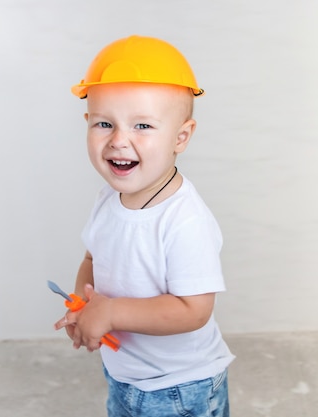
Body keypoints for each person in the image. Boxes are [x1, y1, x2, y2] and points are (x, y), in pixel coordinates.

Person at [54, 35, 234, 417]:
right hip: (128, 375)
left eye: (142, 126)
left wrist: (113, 313)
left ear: (180, 137)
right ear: (87, 124)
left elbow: (193, 310)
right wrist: (85, 304)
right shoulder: (108, 197)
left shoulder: (184, 220)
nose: (119, 141)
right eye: (104, 123)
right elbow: (93, 255)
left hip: (178, 388)